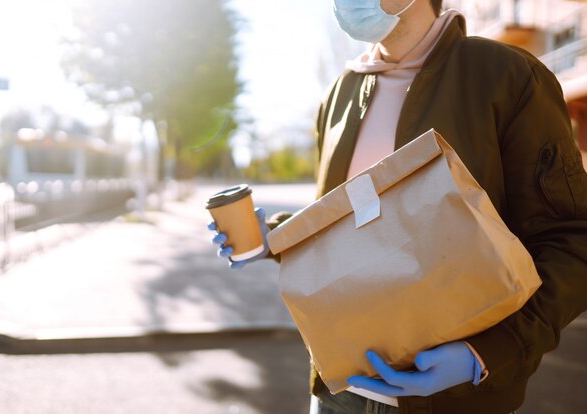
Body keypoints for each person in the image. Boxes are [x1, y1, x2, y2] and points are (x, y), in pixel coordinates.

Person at [208, 1, 587, 413]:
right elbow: (351, 228)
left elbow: (573, 240)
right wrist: (276, 238)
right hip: (340, 394)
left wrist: (483, 354)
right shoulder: (340, 94)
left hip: (458, 401)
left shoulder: (506, 75)